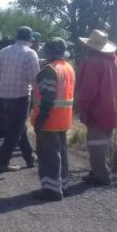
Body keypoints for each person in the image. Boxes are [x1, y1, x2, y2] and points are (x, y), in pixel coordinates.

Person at [76, 30, 117, 186]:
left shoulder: (92, 62)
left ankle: (101, 175)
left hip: (97, 109)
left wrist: (83, 108)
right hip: (112, 108)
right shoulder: (116, 61)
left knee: (95, 143)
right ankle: (101, 170)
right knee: (105, 142)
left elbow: (88, 90)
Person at [0, 26, 40, 172]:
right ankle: (3, 162)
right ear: (30, 39)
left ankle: (30, 157)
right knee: (14, 131)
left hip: (5, 96)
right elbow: (34, 79)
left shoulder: (5, 51)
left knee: (18, 127)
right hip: (21, 96)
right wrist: (38, 98)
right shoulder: (30, 54)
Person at [31, 38, 75, 201]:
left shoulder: (49, 70)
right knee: (61, 153)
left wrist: (40, 120)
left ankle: (51, 190)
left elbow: (48, 98)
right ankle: (62, 185)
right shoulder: (68, 67)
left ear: (48, 52)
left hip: (50, 120)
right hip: (64, 118)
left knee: (48, 154)